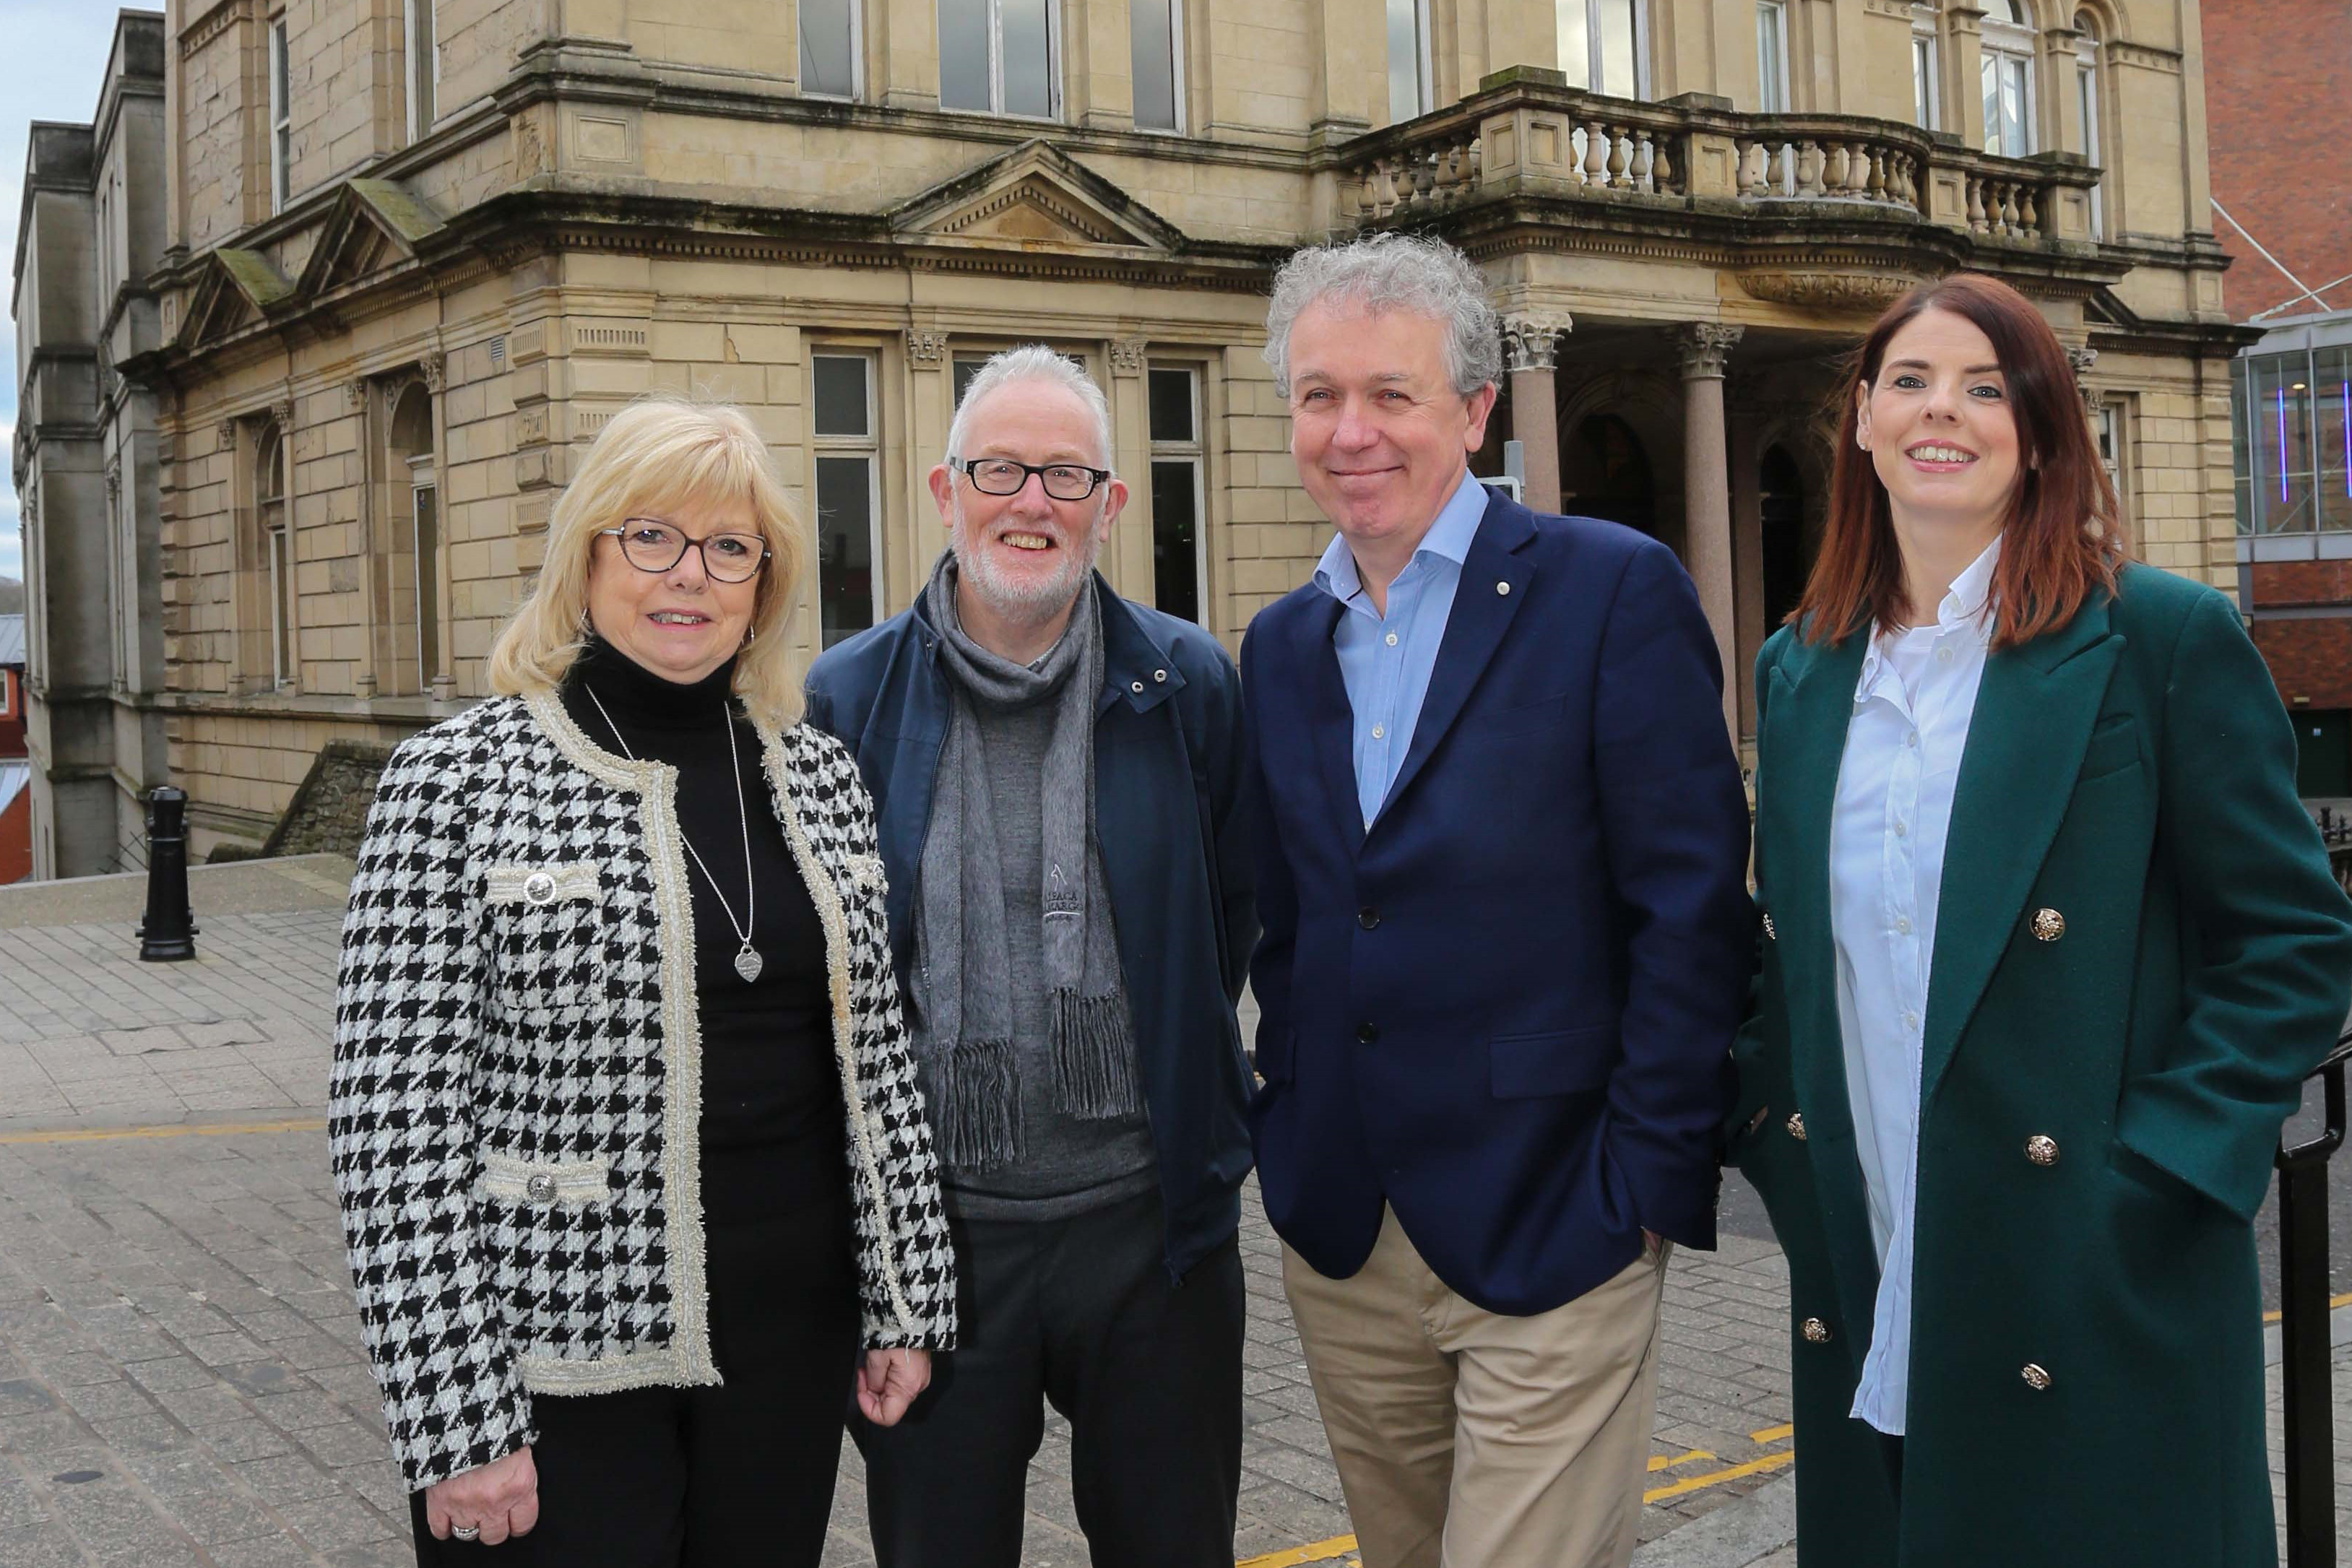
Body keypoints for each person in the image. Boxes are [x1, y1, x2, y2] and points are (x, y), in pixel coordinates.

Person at [1733, 273, 2352, 1567]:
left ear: (2044, 424)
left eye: (1985, 383)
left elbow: (2293, 944)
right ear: (1858, 419)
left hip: (2088, 1253)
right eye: (1908, 381)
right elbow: (1786, 952)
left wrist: (2165, 1173)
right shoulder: (1802, 669)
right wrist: (1770, 1139)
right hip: (1873, 1238)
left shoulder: (2159, 637)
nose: (1939, 411)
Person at [329, 397, 956, 1562]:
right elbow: (391, 1127)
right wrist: (458, 1419)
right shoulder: (454, 782)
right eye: (651, 536)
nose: (690, 575)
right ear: (588, 552)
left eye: (730, 548)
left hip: (788, 1341)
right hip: (556, 1358)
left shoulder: (820, 775)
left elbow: (880, 1064)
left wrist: (907, 1300)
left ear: (764, 581)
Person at [1242, 234, 1755, 1568]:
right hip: (1347, 1235)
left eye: (1391, 395)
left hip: (1556, 1214)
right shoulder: (1283, 644)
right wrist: (1283, 1121)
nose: (1350, 432)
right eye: (1317, 396)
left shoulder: (1610, 589)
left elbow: (1690, 908)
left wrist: (1646, 1180)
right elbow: (1295, 926)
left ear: (1474, 411)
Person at [805, 345, 1255, 1568]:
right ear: (947, 492)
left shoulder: (1187, 683)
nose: (1032, 501)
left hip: (1152, 1234)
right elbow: (834, 981)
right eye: (1001, 469)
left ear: (1110, 506)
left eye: (1066, 474)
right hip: (939, 1245)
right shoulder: (847, 700)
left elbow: (1230, 921)